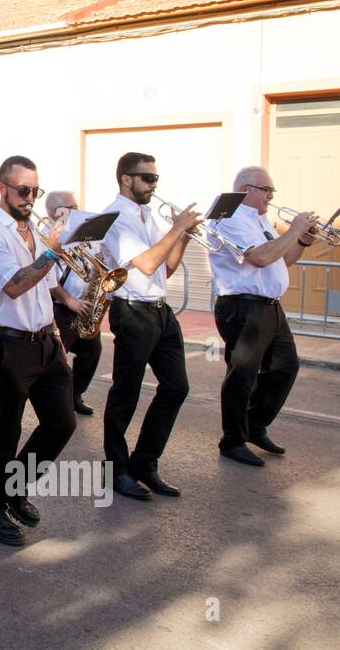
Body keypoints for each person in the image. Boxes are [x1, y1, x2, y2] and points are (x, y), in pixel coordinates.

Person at [0, 155, 80, 546]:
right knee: (6, 430)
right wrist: (51, 251)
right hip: (9, 344)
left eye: (35, 190)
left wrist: (55, 332)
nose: (30, 197)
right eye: (22, 190)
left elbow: (45, 285)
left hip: (45, 341)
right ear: (1, 188)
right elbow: (14, 286)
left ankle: (14, 486)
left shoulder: (34, 228)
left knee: (61, 423)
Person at [97, 154, 201, 500]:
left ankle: (145, 463)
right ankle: (115, 471)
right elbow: (146, 262)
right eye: (148, 179)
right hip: (131, 312)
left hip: (160, 310)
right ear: (126, 179)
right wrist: (175, 228)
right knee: (126, 393)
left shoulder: (149, 216)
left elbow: (166, 268)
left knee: (176, 387)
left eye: (156, 178)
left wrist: (183, 235)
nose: (154, 185)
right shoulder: (114, 218)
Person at [208, 166, 317, 467]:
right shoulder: (227, 219)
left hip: (270, 305)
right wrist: (293, 229)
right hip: (243, 306)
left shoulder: (259, 219)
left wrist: (303, 240)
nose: (271, 195)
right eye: (266, 189)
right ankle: (232, 440)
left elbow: (282, 259)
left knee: (285, 367)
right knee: (242, 375)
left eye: (271, 191)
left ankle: (254, 426)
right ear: (246, 190)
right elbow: (259, 258)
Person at [43, 192, 101, 417]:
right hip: (61, 306)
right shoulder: (47, 237)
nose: (75, 211)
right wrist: (69, 300)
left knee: (92, 352)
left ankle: (74, 394)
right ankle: (53, 402)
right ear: (52, 213)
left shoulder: (86, 234)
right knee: (58, 359)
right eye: (68, 207)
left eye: (76, 206)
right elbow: (48, 280)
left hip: (84, 304)